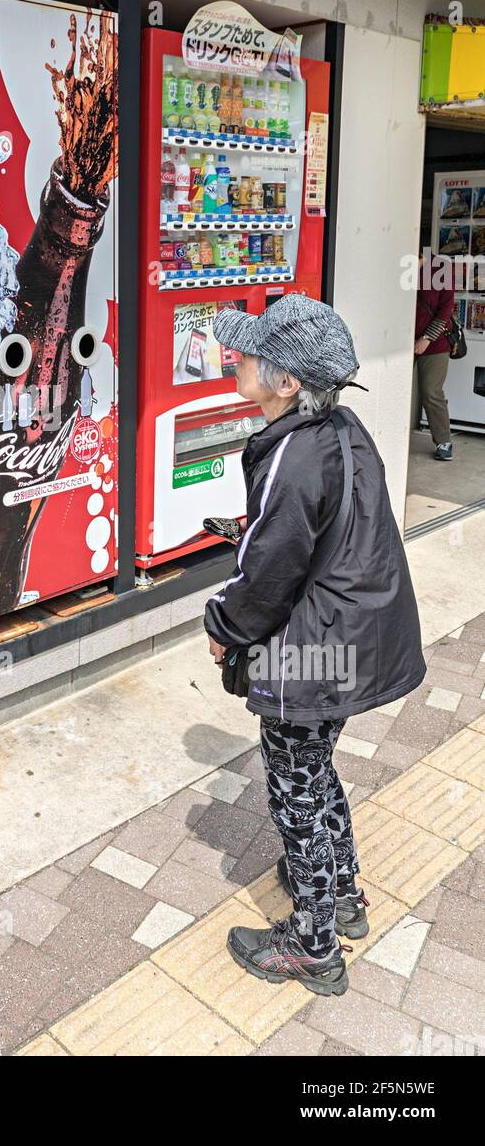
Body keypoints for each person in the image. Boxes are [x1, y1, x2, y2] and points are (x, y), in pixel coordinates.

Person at [203, 294, 426, 997]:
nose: (235, 358)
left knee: (294, 790)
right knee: (315, 770)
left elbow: (268, 574)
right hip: (354, 635)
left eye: (250, 353)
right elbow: (318, 533)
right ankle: (344, 894)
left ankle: (313, 944)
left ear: (287, 381)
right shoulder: (338, 427)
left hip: (313, 651)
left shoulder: (293, 453)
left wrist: (222, 626)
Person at [414, 251, 455, 461]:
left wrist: (426, 339)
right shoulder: (397, 265)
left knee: (431, 391)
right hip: (398, 342)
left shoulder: (441, 267)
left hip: (435, 342)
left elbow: (446, 309)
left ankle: (443, 441)